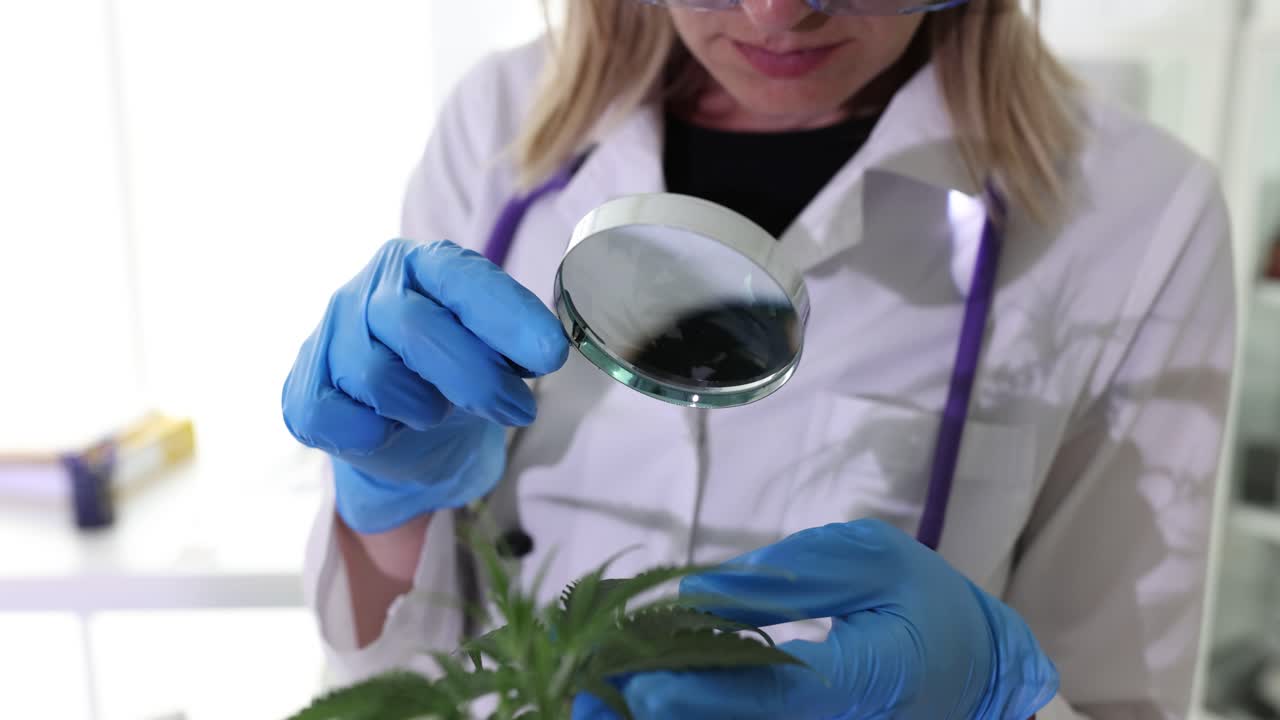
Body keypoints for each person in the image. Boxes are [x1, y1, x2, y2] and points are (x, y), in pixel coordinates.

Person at [281, 0, 1236, 717]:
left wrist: (997, 696)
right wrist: (384, 510)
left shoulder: (1138, 218)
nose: (778, 12)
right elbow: (394, 676)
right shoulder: (494, 127)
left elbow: (1120, 697)